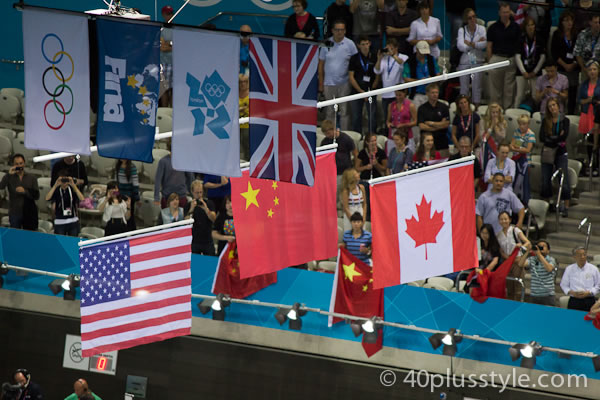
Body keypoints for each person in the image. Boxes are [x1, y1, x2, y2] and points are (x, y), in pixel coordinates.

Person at [318, 20, 358, 130]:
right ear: (332, 31)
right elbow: (321, 65)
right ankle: (330, 134)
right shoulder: (326, 44)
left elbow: (356, 63)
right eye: (337, 30)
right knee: (330, 111)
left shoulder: (350, 44)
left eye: (341, 30)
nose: (339, 32)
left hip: (344, 83)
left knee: (344, 111)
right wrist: (321, 83)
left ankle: (344, 134)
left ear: (345, 31)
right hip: (328, 83)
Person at [539, 98, 570, 217]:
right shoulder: (545, 121)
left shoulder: (565, 121)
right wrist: (556, 138)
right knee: (546, 179)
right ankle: (547, 205)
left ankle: (566, 205)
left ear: (558, 106)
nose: (552, 108)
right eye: (550, 106)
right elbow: (542, 137)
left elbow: (564, 137)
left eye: (554, 105)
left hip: (561, 152)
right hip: (547, 152)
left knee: (564, 179)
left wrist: (551, 138)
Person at [486, 2, 521, 109]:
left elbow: (518, 45)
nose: (505, 14)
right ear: (499, 13)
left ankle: (507, 110)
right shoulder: (493, 27)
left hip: (510, 59)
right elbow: (489, 46)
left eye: (507, 12)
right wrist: (490, 61)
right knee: (495, 89)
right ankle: (496, 110)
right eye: (503, 12)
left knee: (509, 89)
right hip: (497, 58)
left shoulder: (516, 27)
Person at [496, 210, 531, 300]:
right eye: (501, 219)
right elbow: (500, 250)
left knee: (518, 287)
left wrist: (521, 246)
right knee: (509, 287)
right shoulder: (499, 235)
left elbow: (527, 242)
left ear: (510, 220)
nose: (504, 221)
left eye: (505, 219)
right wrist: (506, 257)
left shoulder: (515, 230)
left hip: (517, 262)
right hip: (507, 263)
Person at [348, 36, 379, 134]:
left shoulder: (374, 57)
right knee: (356, 115)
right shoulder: (354, 58)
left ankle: (372, 135)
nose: (365, 46)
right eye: (363, 44)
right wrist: (361, 92)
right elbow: (351, 77)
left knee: (372, 115)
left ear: (369, 44)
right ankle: (357, 135)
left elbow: (378, 73)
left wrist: (373, 86)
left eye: (367, 44)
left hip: (371, 90)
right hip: (357, 91)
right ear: (358, 46)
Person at [456, 8, 487, 107]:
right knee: (464, 86)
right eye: (470, 18)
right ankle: (463, 106)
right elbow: (460, 46)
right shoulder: (462, 30)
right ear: (466, 20)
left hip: (478, 60)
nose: (473, 19)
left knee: (476, 86)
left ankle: (476, 107)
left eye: (474, 16)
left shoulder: (481, 29)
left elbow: (484, 44)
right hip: (465, 60)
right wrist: (476, 44)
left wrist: (469, 44)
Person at [0, 154, 39, 231]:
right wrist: (8, 175)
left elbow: (36, 195)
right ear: (13, 165)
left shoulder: (32, 178)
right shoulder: (9, 177)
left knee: (29, 237)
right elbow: (1, 186)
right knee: (15, 236)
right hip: (15, 212)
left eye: (21, 163)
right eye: (17, 164)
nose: (19, 165)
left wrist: (25, 191)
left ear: (24, 163)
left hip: (29, 213)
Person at [374, 38, 409, 124]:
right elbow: (377, 71)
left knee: (398, 116)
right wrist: (379, 59)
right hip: (386, 93)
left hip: (397, 93)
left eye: (391, 48)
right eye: (388, 48)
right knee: (387, 118)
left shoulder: (403, 57)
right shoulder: (384, 58)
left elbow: (401, 63)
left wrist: (393, 55)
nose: (389, 50)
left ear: (396, 48)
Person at [552, 10, 580, 115]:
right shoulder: (557, 34)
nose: (569, 23)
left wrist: (573, 64)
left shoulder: (577, 35)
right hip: (562, 68)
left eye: (571, 20)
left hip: (574, 69)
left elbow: (580, 51)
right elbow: (554, 53)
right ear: (561, 22)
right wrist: (564, 65)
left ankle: (571, 115)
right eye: (566, 20)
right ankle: (559, 114)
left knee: (572, 94)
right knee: (560, 93)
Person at [514, 17, 546, 108]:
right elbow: (517, 56)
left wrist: (534, 72)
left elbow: (542, 57)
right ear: (525, 27)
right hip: (522, 71)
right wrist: (524, 72)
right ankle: (515, 111)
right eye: (528, 25)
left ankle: (535, 113)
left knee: (535, 96)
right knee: (520, 95)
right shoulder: (521, 39)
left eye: (532, 25)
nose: (530, 27)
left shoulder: (540, 39)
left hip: (535, 72)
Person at [518, 240, 557, 306]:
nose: (541, 247)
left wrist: (539, 255)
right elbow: (520, 264)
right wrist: (527, 252)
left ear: (548, 250)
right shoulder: (532, 259)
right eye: (539, 246)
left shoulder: (551, 259)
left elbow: (549, 268)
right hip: (534, 294)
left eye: (543, 246)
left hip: (548, 295)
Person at [560, 246, 600, 311]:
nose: (582, 257)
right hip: (574, 300)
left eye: (584, 255)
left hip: (589, 300)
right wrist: (572, 292)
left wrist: (589, 292)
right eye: (579, 255)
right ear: (574, 257)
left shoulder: (593, 269)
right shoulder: (569, 269)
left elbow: (598, 285)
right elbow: (563, 285)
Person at [578, 61, 600, 174]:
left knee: (598, 141)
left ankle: (598, 166)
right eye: (590, 69)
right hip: (587, 114)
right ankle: (592, 165)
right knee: (589, 142)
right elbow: (580, 100)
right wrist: (589, 100)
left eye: (594, 69)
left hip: (598, 114)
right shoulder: (584, 84)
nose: (592, 72)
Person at [45, 171, 84, 236]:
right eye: (63, 179)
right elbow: (47, 198)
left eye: (66, 179)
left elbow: (82, 198)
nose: (64, 182)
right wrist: (55, 185)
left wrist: (73, 185)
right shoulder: (57, 190)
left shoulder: (72, 189)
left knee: (72, 242)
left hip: (72, 221)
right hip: (60, 221)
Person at [184, 180, 217, 255]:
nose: (199, 195)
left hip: (207, 240)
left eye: (200, 192)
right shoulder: (188, 205)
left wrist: (206, 209)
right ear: (192, 192)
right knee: (195, 265)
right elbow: (186, 221)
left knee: (210, 264)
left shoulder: (209, 203)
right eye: (197, 192)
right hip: (194, 241)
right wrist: (191, 209)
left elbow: (214, 219)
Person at [402, 40, 440, 107]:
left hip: (430, 94)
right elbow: (405, 78)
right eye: (422, 52)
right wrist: (419, 81)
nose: (424, 54)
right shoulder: (409, 61)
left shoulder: (431, 59)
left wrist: (432, 79)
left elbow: (438, 74)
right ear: (417, 49)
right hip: (416, 94)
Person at [417, 83, 450, 157]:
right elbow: (422, 126)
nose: (435, 94)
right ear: (427, 93)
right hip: (427, 146)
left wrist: (431, 123)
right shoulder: (422, 109)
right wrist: (439, 125)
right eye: (432, 92)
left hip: (442, 144)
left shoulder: (444, 107)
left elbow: (446, 124)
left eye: (436, 92)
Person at [386, 89, 416, 153]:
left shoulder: (410, 105)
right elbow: (388, 121)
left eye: (400, 95)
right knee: (392, 155)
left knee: (407, 156)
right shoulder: (391, 105)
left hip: (406, 134)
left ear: (404, 93)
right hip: (393, 135)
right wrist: (389, 124)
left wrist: (404, 125)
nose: (398, 97)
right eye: (396, 95)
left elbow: (415, 121)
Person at [114, 159, 140, 231]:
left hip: (129, 196)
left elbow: (135, 184)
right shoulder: (118, 166)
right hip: (120, 196)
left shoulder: (132, 167)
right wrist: (116, 195)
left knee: (130, 217)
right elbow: (116, 182)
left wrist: (137, 198)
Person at [159, 5, 174, 107]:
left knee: (173, 89)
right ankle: (164, 111)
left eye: (171, 13)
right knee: (164, 89)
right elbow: (163, 47)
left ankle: (172, 113)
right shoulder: (161, 29)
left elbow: (179, 47)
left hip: (174, 63)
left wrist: (168, 44)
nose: (170, 16)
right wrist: (170, 45)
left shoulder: (177, 29)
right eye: (168, 14)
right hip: (163, 63)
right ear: (163, 15)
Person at [239, 73, 250, 161]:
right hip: (237, 125)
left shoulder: (251, 94)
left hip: (247, 124)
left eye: (245, 82)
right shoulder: (236, 94)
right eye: (241, 82)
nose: (243, 84)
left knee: (247, 146)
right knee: (238, 147)